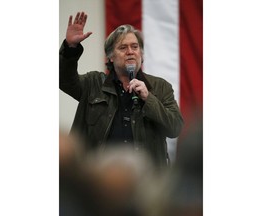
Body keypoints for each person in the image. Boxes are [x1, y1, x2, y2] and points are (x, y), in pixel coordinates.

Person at [59, 11, 184, 167]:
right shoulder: (93, 83)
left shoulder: (160, 87)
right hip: (98, 177)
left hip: (146, 180)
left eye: (135, 47)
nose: (130, 52)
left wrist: (148, 98)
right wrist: (71, 48)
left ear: (141, 54)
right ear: (111, 56)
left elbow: (175, 128)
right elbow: (64, 80)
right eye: (123, 47)